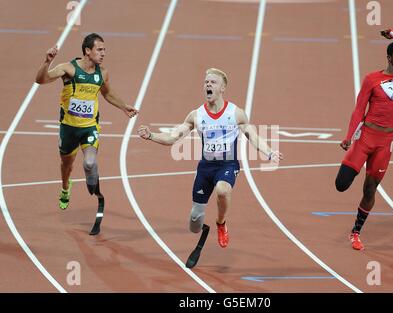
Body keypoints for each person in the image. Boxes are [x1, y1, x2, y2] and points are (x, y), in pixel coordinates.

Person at [138, 68, 283, 249]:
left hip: (228, 164)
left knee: (222, 190)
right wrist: (150, 135)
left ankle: (221, 223)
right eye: (206, 82)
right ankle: (200, 222)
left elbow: (253, 136)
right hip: (205, 168)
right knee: (195, 222)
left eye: (213, 82)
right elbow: (173, 137)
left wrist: (269, 152)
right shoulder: (196, 115)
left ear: (222, 88)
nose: (208, 84)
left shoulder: (236, 113)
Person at [335, 29, 393, 250]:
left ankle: (356, 232)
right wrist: (349, 136)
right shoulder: (372, 79)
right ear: (389, 58)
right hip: (366, 137)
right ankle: (352, 167)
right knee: (341, 184)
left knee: (369, 190)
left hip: (385, 142)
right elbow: (359, 110)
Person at [36, 33, 139, 211]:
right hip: (68, 128)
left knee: (90, 163)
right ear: (87, 51)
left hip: (89, 127)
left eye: (104, 50)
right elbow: (40, 80)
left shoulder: (102, 73)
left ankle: (92, 183)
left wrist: (123, 106)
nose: (103, 53)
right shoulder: (69, 69)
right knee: (66, 166)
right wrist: (47, 61)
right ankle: (65, 188)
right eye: (99, 50)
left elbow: (107, 93)